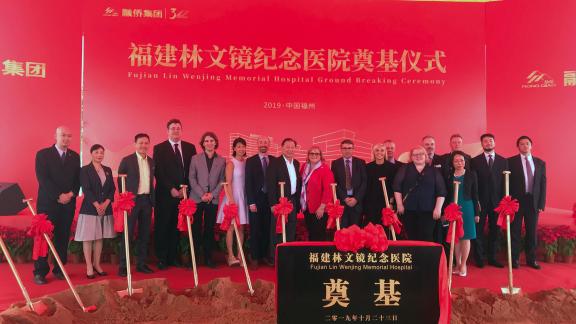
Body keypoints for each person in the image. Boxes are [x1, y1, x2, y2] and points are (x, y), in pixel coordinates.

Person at [33, 126, 80, 285]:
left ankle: (59, 269)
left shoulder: (75, 156)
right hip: (48, 203)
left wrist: (71, 194)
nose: (66, 138)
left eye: (69, 136)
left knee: (62, 236)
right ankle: (40, 272)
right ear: (55, 136)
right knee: (43, 238)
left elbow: (77, 180)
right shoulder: (43, 155)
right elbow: (43, 178)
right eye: (63, 135)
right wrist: (58, 196)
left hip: (68, 204)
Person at [153, 119, 196, 270]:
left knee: (176, 227)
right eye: (173, 128)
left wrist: (186, 189)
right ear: (167, 131)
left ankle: (173, 257)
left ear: (181, 130)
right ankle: (162, 258)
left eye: (178, 128)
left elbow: (193, 171)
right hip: (165, 194)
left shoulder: (190, 148)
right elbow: (159, 172)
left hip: (183, 195)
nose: (176, 131)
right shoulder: (159, 148)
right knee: (163, 225)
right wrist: (171, 188)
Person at [117, 133, 155, 276]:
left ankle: (141, 264)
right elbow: (120, 182)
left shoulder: (151, 161)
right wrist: (125, 199)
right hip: (131, 202)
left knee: (144, 234)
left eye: (146, 143)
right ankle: (123, 266)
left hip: (147, 201)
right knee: (128, 234)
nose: (143, 145)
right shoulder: (127, 161)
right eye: (140, 143)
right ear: (135, 144)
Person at [75, 144, 115, 279]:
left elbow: (112, 190)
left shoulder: (108, 170)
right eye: (97, 152)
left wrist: (106, 203)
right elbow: (86, 189)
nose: (99, 155)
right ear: (91, 154)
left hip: (105, 208)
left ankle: (97, 264)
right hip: (90, 209)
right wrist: (97, 205)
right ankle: (89, 267)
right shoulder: (85, 170)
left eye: (102, 152)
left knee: (99, 237)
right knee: (88, 238)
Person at [508, 136, 546, 270]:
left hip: (533, 202)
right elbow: (506, 183)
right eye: (521, 144)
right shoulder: (510, 162)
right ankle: (515, 260)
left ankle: (531, 259)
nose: (524, 146)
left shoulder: (540, 163)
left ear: (531, 146)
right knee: (515, 231)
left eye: (527, 144)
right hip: (516, 202)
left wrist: (541, 203)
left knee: (532, 232)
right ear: (518, 146)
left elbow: (543, 184)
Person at [393, 146, 446, 242]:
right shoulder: (404, 169)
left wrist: (438, 208)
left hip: (429, 211)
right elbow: (397, 187)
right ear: (411, 157)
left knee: (427, 236)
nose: (418, 156)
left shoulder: (434, 171)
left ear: (425, 156)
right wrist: (399, 204)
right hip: (408, 209)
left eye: (421, 154)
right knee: (411, 236)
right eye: (415, 154)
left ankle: (425, 257)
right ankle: (413, 257)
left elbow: (441, 191)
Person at [189, 132, 226, 268]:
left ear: (215, 143)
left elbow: (222, 180)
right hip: (197, 199)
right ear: (203, 144)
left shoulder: (222, 160)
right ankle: (194, 259)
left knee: (209, 229)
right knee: (195, 228)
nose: (209, 143)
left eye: (212, 140)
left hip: (213, 200)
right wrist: (202, 194)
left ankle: (208, 258)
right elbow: (192, 178)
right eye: (206, 141)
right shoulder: (195, 158)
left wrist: (212, 194)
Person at [470, 133, 507, 268]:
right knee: (478, 230)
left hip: (497, 202)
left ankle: (492, 258)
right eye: (485, 141)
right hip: (480, 201)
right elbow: (473, 183)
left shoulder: (503, 161)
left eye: (490, 140)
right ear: (482, 144)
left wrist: (505, 201)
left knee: (495, 230)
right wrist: (476, 200)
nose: (488, 143)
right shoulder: (474, 161)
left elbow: (505, 183)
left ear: (494, 143)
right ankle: (479, 258)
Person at [445, 151, 479, 277]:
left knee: (466, 237)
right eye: (456, 161)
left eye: (462, 160)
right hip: (453, 208)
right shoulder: (449, 176)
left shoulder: (471, 174)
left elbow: (475, 194)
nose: (459, 163)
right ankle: (457, 263)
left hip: (468, 207)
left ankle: (464, 264)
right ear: (452, 163)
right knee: (456, 237)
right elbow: (447, 194)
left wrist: (477, 213)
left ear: (465, 162)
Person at [267, 138, 302, 259]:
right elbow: (270, 184)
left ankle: (288, 256)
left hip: (292, 201)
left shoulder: (296, 163)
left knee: (291, 227)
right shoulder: (275, 163)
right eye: (287, 146)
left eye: (292, 147)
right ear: (282, 148)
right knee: (277, 229)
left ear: (295, 149)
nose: (290, 149)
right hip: (279, 202)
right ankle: (275, 257)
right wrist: (272, 204)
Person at [217, 137, 249, 266]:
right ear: (234, 148)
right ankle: (230, 256)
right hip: (232, 198)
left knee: (241, 228)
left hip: (243, 197)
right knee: (230, 227)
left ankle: (240, 255)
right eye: (238, 146)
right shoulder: (231, 163)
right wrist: (231, 200)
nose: (241, 148)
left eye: (243, 146)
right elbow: (228, 183)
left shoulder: (247, 163)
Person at [245, 136, 275, 269]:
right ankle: (255, 256)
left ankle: (265, 255)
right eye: (261, 142)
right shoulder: (250, 161)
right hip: (256, 201)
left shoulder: (274, 160)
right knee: (255, 229)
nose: (263, 145)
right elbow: (248, 183)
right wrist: (251, 202)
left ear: (269, 145)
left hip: (271, 201)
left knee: (268, 228)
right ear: (257, 144)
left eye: (266, 143)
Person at [300, 146, 334, 241]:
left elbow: (328, 190)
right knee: (311, 232)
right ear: (308, 155)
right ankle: (312, 254)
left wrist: (322, 207)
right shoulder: (304, 167)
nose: (314, 155)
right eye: (312, 153)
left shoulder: (325, 169)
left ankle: (319, 255)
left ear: (320, 156)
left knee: (318, 234)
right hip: (307, 206)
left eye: (317, 154)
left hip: (319, 208)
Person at [331, 140, 367, 227]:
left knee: (356, 231)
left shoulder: (361, 162)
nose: (347, 150)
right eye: (344, 148)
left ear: (353, 149)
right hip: (342, 203)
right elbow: (334, 183)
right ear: (341, 149)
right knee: (343, 231)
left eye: (349, 148)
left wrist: (356, 198)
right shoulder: (335, 163)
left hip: (357, 203)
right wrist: (345, 198)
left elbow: (364, 182)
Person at [364, 144, 398, 225]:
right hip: (370, 203)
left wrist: (391, 202)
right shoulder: (367, 167)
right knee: (371, 226)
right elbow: (366, 186)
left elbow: (393, 186)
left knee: (385, 226)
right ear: (373, 152)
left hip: (385, 202)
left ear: (385, 152)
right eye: (377, 150)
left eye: (382, 150)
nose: (379, 153)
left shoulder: (392, 167)